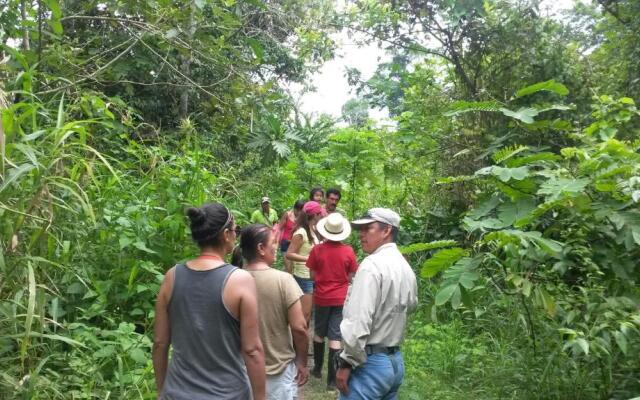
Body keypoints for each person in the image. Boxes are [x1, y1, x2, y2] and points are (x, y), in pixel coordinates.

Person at [153, 203, 266, 400]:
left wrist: (162, 390)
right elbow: (252, 350)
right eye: (235, 230)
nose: (235, 235)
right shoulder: (240, 280)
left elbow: (160, 343)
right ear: (225, 235)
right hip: (227, 394)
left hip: (176, 392)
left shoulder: (172, 277)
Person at [335, 208, 418, 400]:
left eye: (368, 229)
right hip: (394, 362)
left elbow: (358, 321)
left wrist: (346, 363)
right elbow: (411, 306)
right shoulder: (405, 267)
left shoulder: (371, 265)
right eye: (360, 230)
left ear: (386, 230)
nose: (361, 235)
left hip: (370, 364)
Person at [240, 224, 310, 399]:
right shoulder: (283, 281)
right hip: (278, 373)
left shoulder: (232, 280)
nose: (276, 245)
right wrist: (302, 362)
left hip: (243, 371)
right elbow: (299, 328)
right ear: (261, 248)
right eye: (273, 242)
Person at [306, 213, 358, 390]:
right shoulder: (349, 251)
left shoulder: (317, 250)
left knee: (319, 332)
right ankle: (331, 381)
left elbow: (312, 275)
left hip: (321, 297)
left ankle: (317, 369)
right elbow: (351, 276)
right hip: (340, 298)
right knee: (335, 336)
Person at [285, 200, 323, 322]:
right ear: (315, 215)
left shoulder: (312, 230)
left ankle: (302, 338)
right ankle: (298, 338)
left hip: (311, 275)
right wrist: (309, 259)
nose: (321, 216)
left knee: (308, 314)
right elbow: (289, 254)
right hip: (303, 276)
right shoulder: (301, 232)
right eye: (320, 214)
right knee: (304, 314)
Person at [277, 199, 305, 273]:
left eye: (300, 211)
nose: (298, 213)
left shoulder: (303, 219)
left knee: (292, 267)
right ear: (294, 208)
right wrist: (277, 241)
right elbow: (280, 228)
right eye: (297, 210)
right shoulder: (287, 215)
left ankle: (283, 277)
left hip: (296, 244)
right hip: (285, 243)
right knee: (288, 267)